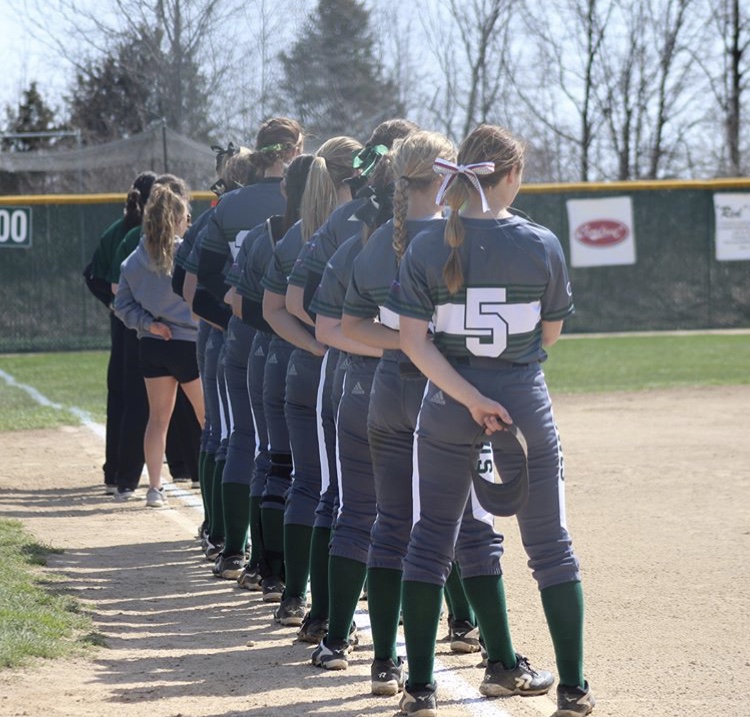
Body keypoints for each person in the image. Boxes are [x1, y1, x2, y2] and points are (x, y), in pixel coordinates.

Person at [387, 124, 593, 716]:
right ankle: (575, 688)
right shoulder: (540, 242)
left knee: (430, 541)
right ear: (507, 176)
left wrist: (469, 396)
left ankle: (420, 688)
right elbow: (548, 334)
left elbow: (413, 343)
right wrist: (495, 390)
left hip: (450, 402)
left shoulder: (428, 243)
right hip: (522, 401)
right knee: (550, 546)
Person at [114, 181, 205, 508]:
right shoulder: (186, 254)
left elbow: (121, 305)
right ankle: (210, 486)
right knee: (207, 419)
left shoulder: (134, 260)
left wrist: (148, 323)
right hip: (188, 345)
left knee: (157, 419)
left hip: (153, 344)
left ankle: (154, 489)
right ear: (177, 218)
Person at [83, 171, 156, 494]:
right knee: (140, 399)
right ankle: (127, 474)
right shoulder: (138, 234)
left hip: (124, 320)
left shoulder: (119, 229)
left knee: (122, 396)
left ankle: (114, 472)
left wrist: (113, 306)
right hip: (141, 324)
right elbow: (107, 280)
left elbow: (92, 276)